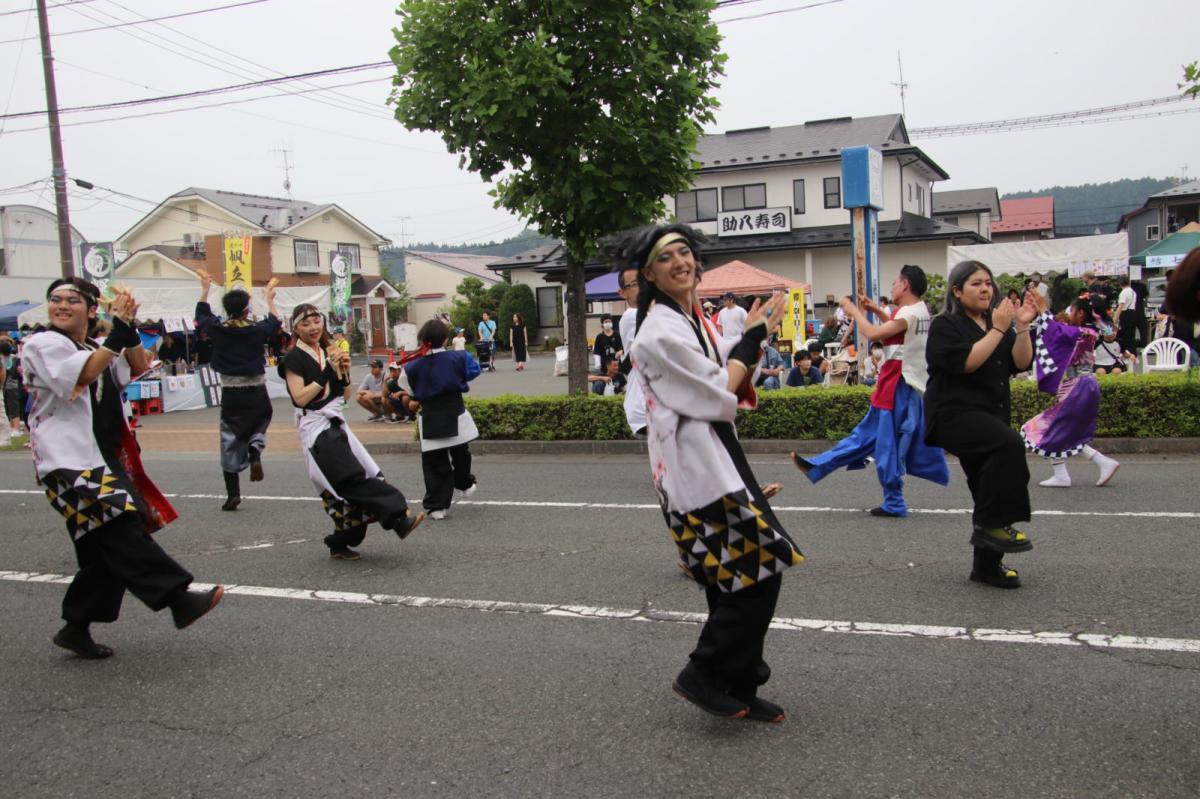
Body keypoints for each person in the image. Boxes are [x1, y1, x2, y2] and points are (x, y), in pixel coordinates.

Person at [619, 222, 803, 723]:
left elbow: (726, 371)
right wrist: (751, 341)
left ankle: (738, 680)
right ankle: (704, 672)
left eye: (684, 252)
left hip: (714, 457)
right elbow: (718, 388)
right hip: (694, 470)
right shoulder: (657, 329)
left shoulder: (689, 316)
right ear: (651, 274)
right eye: (665, 258)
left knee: (734, 579)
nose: (679, 262)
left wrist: (749, 339)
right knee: (757, 571)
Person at [24, 278, 223, 659]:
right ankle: (177, 598)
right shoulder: (43, 344)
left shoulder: (93, 345)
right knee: (120, 525)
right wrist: (115, 334)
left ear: (90, 309)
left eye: (72, 300)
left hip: (102, 456)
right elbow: (82, 374)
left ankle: (76, 627)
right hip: (65, 460)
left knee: (106, 548)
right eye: (54, 300)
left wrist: (128, 327)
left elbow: (137, 364)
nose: (61, 306)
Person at [792, 265, 949, 518]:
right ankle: (818, 466)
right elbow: (896, 328)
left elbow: (874, 333)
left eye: (895, 282)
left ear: (906, 285)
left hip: (898, 385)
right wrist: (874, 309)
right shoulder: (919, 310)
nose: (892, 287)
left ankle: (892, 500)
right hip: (898, 385)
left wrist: (854, 311)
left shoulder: (909, 312)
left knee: (882, 442)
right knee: (870, 437)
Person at [924, 260, 1038, 589]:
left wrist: (1023, 327)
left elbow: (1020, 361)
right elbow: (968, 362)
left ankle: (986, 567)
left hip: (989, 415)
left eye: (988, 282)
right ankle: (991, 526)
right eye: (976, 283)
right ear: (957, 291)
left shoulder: (995, 322)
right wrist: (1000, 329)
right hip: (953, 415)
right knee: (1010, 446)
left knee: (986, 485)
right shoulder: (945, 325)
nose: (986, 288)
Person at [279, 304, 424, 560]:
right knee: (350, 478)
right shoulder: (293, 358)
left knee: (349, 483)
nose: (313, 328)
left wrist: (343, 372)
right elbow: (300, 397)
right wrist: (326, 372)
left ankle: (341, 542)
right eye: (306, 324)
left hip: (335, 421)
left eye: (316, 321)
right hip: (315, 426)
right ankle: (398, 516)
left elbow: (344, 395)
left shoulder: (327, 351)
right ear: (296, 328)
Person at [195, 272, 282, 511]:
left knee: (229, 439)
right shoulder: (256, 329)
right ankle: (255, 450)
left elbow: (201, 315)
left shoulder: (218, 328)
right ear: (247, 310)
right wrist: (269, 298)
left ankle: (233, 494)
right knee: (259, 423)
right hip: (257, 389)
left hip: (231, 392)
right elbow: (275, 322)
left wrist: (205, 288)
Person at [1021, 291, 1121, 488]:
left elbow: (1055, 330)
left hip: (1078, 386)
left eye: (1072, 309)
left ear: (1081, 314)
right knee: (1064, 430)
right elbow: (1056, 330)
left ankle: (1065, 474)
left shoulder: (1081, 333)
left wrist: (1043, 309)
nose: (1069, 312)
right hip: (1080, 385)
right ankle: (1100, 463)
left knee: (1044, 428)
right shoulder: (1087, 331)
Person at [401, 319, 481, 520]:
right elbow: (473, 372)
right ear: (445, 339)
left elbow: (408, 389)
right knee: (461, 453)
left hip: (430, 414)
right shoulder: (459, 357)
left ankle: (437, 506)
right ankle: (464, 482)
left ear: (422, 339)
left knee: (434, 462)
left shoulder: (412, 366)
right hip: (455, 411)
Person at [1114, 275, 1139, 361]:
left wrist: (1115, 318)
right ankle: (1133, 354)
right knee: (1131, 335)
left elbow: (1120, 306)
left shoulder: (1123, 292)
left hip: (1125, 314)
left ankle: (1128, 354)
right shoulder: (1133, 292)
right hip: (1133, 313)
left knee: (1124, 335)